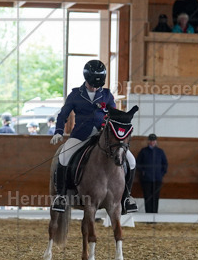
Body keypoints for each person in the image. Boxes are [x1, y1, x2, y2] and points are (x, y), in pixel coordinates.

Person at [50, 59, 138, 214]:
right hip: (80, 136)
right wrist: (58, 131)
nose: (95, 87)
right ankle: (61, 196)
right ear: (87, 79)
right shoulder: (75, 94)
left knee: (131, 160)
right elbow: (63, 114)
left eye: (98, 85)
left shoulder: (107, 95)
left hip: (102, 136)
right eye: (93, 85)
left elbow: (114, 115)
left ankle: (126, 198)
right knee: (63, 157)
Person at [136, 133, 168, 214]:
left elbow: (165, 164)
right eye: (151, 140)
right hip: (146, 179)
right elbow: (137, 163)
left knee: (155, 197)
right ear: (148, 141)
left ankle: (155, 214)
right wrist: (143, 172)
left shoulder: (160, 151)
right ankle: (148, 215)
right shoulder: (143, 151)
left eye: (154, 140)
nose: (152, 142)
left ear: (156, 141)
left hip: (157, 179)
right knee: (147, 197)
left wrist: (161, 174)